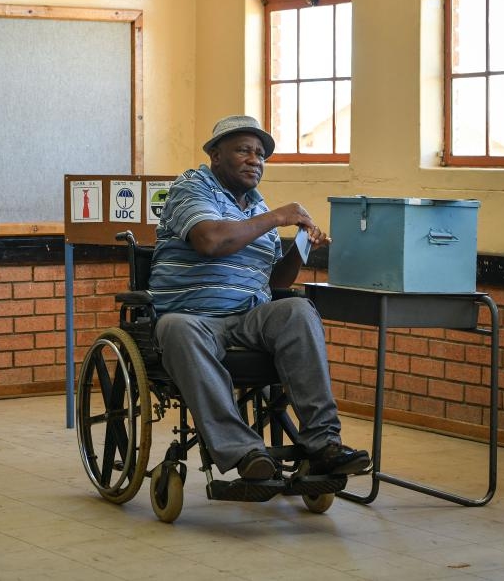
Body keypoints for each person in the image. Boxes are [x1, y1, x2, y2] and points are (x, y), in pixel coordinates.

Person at [148, 115, 370, 481]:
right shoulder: (192, 187)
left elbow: (275, 280)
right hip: (191, 317)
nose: (256, 160)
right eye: (244, 151)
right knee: (176, 328)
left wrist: (301, 249)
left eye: (261, 154)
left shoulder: (255, 206)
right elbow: (211, 240)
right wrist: (279, 216)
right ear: (216, 155)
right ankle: (244, 451)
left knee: (297, 309)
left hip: (247, 317)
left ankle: (323, 443)